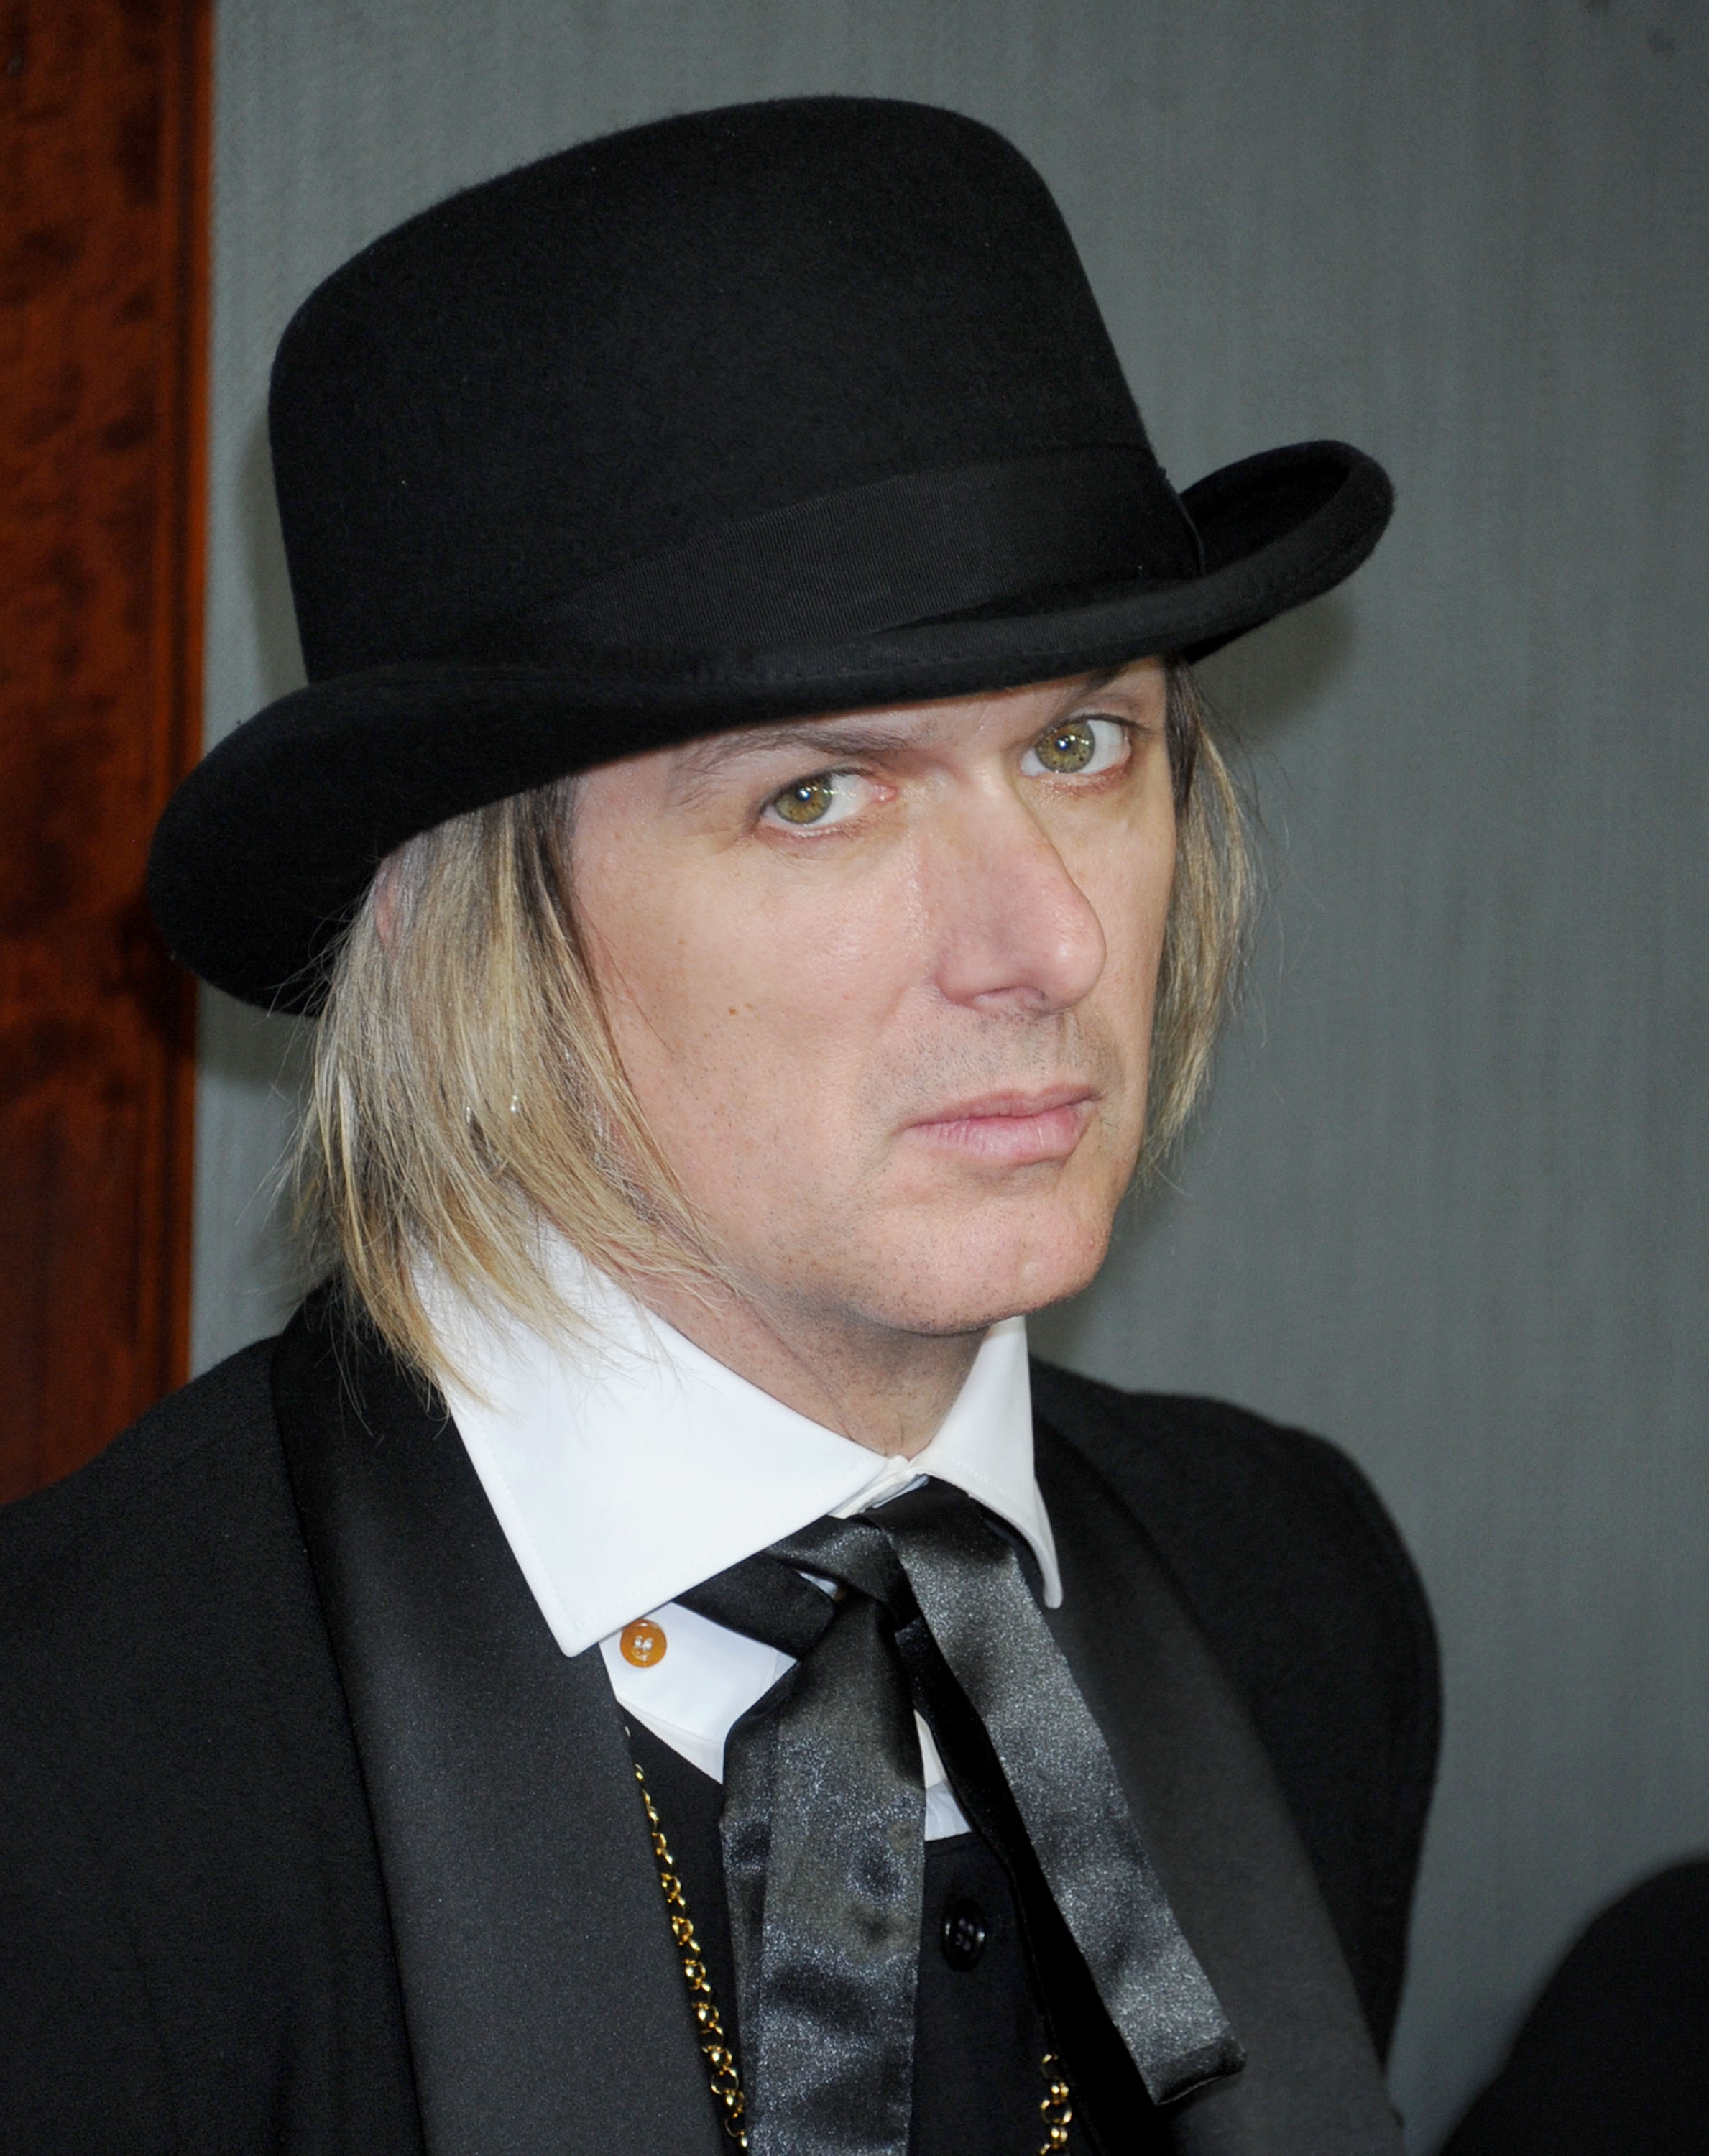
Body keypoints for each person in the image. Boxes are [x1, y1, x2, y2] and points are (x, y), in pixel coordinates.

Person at [0, 97, 1437, 2156]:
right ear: (472, 925)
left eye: (1081, 740)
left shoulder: (1295, 1597)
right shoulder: (80, 1776)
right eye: (814, 797)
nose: (1036, 941)